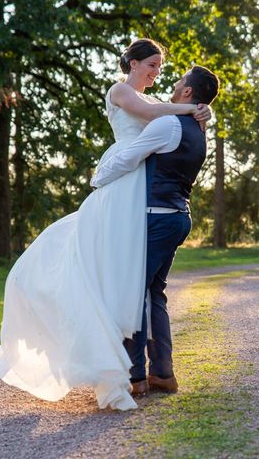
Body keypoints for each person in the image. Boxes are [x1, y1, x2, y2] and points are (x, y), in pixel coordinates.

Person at [0, 39, 211, 411]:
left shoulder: (165, 111)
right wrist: (196, 108)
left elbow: (167, 119)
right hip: (125, 184)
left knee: (136, 286)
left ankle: (140, 372)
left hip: (141, 194)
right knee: (127, 282)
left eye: (160, 67)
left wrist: (203, 112)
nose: (157, 72)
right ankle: (137, 370)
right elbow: (149, 114)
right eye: (152, 65)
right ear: (134, 63)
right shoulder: (121, 91)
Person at [91, 65, 220, 395]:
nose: (173, 87)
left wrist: (98, 179)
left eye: (179, 83)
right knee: (154, 293)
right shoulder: (198, 128)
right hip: (179, 216)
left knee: (132, 290)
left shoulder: (168, 124)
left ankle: (135, 377)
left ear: (188, 92)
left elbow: (129, 158)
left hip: (156, 217)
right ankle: (162, 372)